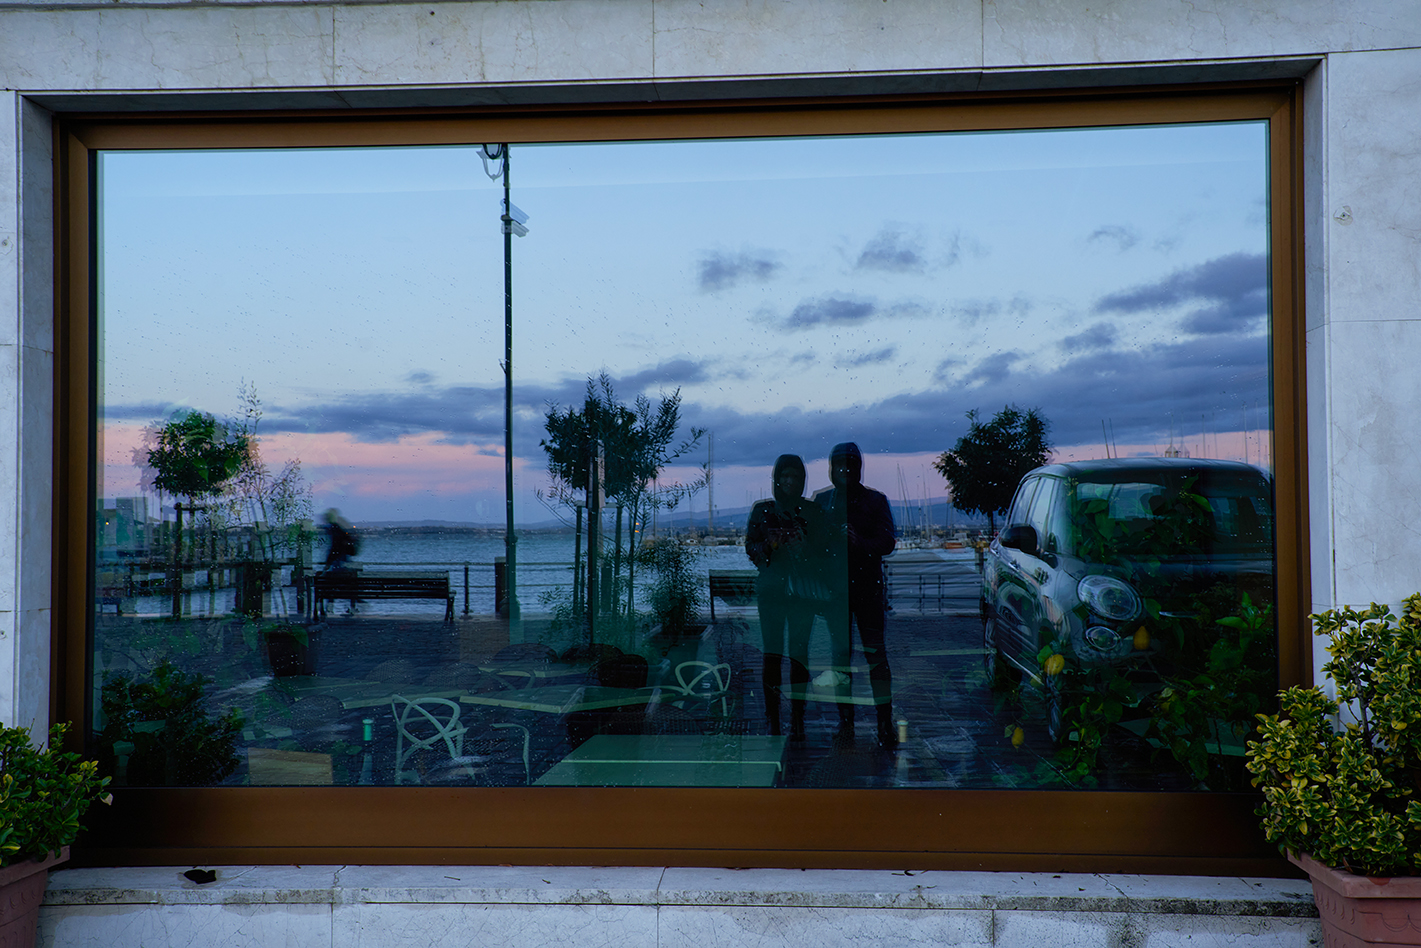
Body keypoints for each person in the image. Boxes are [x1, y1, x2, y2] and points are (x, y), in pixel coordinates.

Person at [813, 442, 898, 749]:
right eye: (839, 466)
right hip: (836, 594)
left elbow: (887, 542)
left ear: (858, 468)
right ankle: (846, 723)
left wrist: (859, 542)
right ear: (831, 468)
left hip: (867, 591)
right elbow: (814, 547)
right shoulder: (823, 501)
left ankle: (884, 722)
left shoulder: (875, 500)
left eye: (850, 465)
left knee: (876, 657)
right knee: (840, 659)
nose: (845, 471)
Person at [744, 455, 826, 740]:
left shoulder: (812, 511)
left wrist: (803, 546)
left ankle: (798, 715)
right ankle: (773, 715)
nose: (789, 481)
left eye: (795, 476)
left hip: (801, 593)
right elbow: (751, 549)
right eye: (785, 476)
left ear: (802, 480)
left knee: (799, 655)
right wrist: (770, 545)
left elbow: (825, 552)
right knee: (772, 654)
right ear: (777, 479)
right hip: (772, 593)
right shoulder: (763, 510)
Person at [320, 508, 360, 615]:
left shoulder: (334, 530)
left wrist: (328, 562)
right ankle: (351, 606)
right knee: (347, 583)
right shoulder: (340, 529)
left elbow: (334, 548)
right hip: (343, 560)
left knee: (331, 583)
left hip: (338, 562)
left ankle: (329, 607)